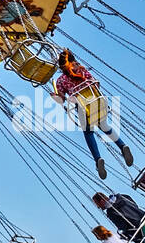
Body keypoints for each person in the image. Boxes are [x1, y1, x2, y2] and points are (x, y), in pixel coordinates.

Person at [52, 49, 132, 179]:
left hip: (83, 107)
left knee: (88, 132)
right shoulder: (82, 70)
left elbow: (61, 99)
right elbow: (96, 83)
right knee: (104, 125)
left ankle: (98, 159)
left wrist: (56, 96)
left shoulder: (60, 80)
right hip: (97, 100)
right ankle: (122, 146)